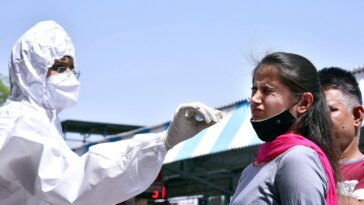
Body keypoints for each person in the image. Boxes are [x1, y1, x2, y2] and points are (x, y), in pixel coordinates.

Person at [0, 20, 223, 205]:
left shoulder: (42, 123)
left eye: (71, 68)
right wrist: (163, 142)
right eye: (59, 68)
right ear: (30, 70)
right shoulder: (21, 123)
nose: (68, 76)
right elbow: (71, 184)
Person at [229, 52, 340, 205]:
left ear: (304, 103)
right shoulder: (251, 170)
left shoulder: (297, 159)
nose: (254, 99)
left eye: (267, 90)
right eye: (254, 90)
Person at [319, 67, 364, 204]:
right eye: (314, 113)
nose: (319, 119)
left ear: (356, 116)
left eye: (329, 110)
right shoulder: (307, 165)